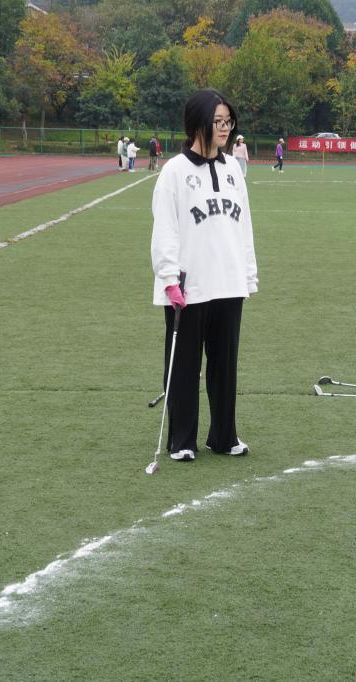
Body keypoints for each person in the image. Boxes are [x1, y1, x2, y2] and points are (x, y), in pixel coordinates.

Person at [150, 88, 258, 462]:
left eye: (228, 121)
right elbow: (165, 229)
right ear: (197, 123)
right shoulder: (174, 172)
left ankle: (224, 436)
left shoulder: (233, 170)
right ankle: (182, 439)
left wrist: (248, 274)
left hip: (228, 283)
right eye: (217, 121)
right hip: (188, 286)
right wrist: (168, 278)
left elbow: (244, 227)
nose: (225, 128)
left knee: (225, 366)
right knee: (184, 366)